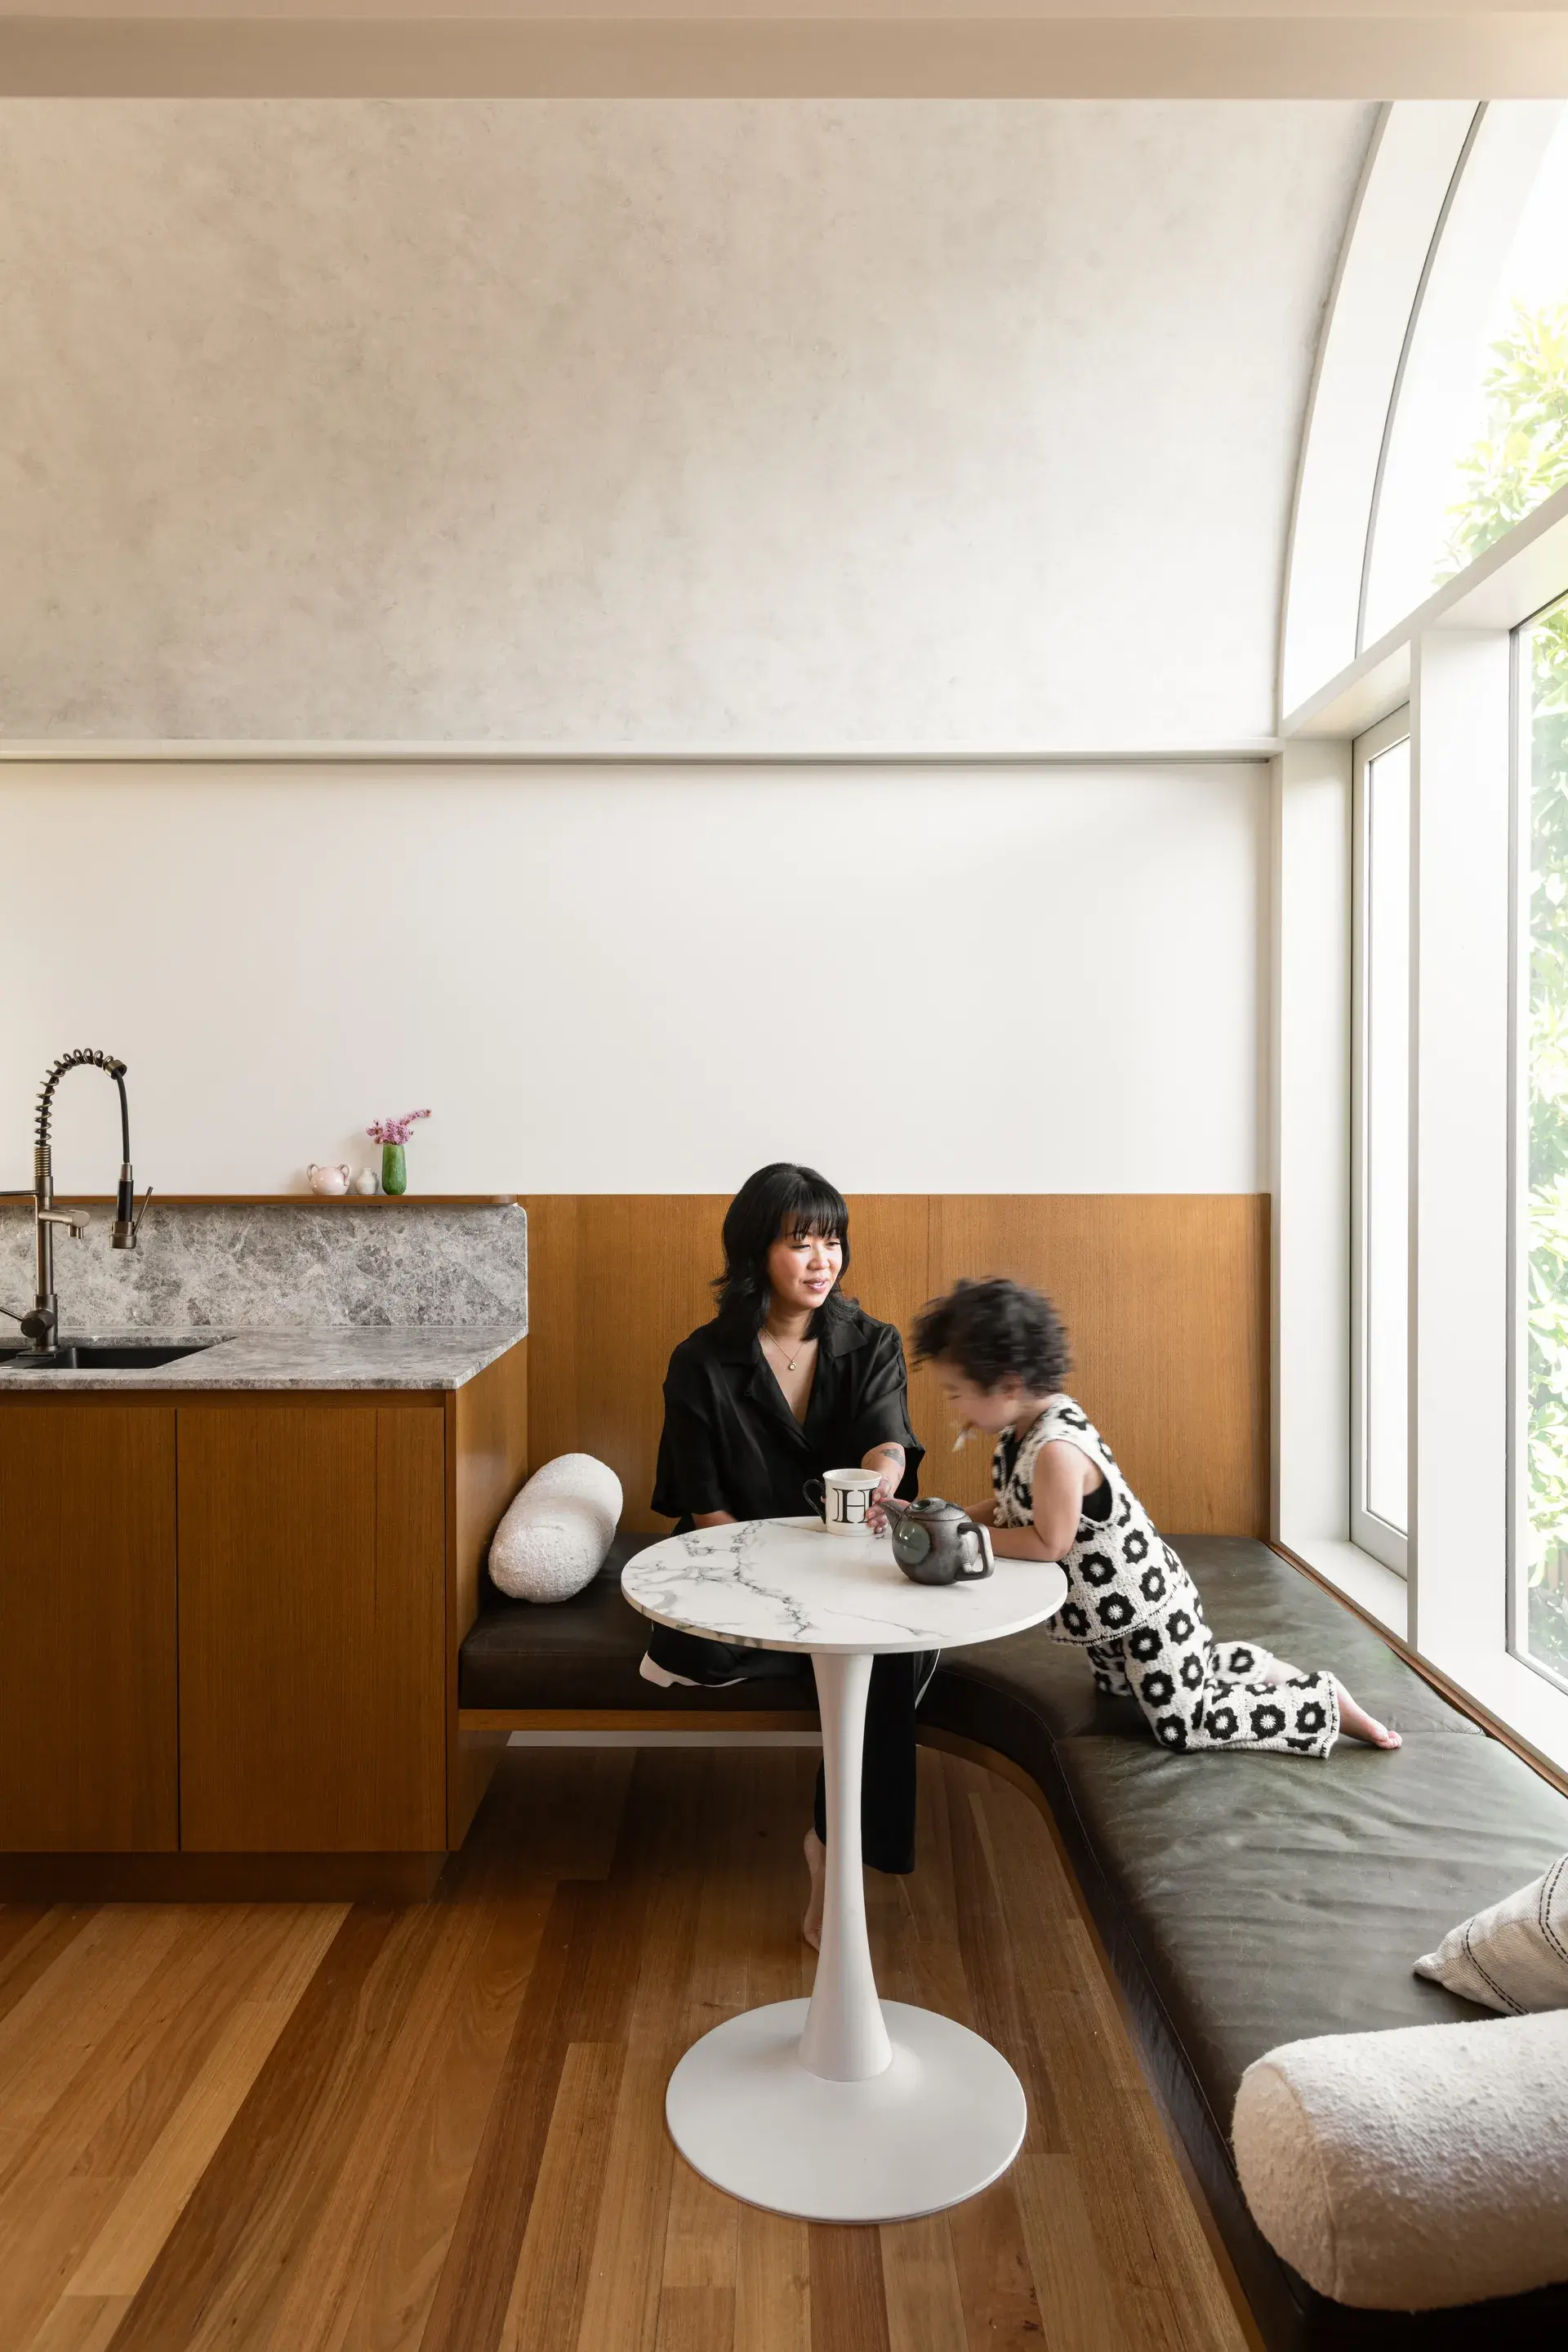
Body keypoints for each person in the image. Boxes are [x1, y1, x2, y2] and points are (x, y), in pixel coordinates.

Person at [911, 1276, 1401, 1757]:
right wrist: (939, 1515)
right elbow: (1008, 1507)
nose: (954, 1407)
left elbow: (1048, 1544)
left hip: (1147, 1611)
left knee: (1183, 1724)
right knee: (1130, 1689)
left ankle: (1318, 1700)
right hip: (1106, 1620)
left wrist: (967, 1538)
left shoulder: (1057, 1449)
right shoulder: (1019, 1431)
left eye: (956, 1392)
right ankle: (1256, 1668)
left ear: (1008, 1385)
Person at [645, 1162, 930, 1946]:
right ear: (753, 1252)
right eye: (800, 1242)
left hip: (844, 1564)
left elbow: (888, 1442)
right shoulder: (701, 1361)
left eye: (832, 1243)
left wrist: (878, 1483)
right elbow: (705, 1509)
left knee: (891, 1650)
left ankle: (832, 1850)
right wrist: (779, 1596)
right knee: (863, 1656)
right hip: (729, 1570)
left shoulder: (871, 1341)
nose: (821, 1261)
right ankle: (839, 1850)